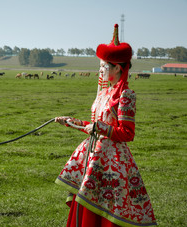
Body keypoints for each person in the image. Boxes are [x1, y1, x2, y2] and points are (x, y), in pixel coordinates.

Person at [54, 24, 157, 227]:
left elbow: (127, 133)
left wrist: (101, 129)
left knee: (107, 210)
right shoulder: (103, 93)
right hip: (93, 156)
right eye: (100, 66)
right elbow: (93, 125)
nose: (100, 71)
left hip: (112, 161)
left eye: (104, 66)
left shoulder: (125, 95)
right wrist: (72, 122)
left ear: (118, 67)